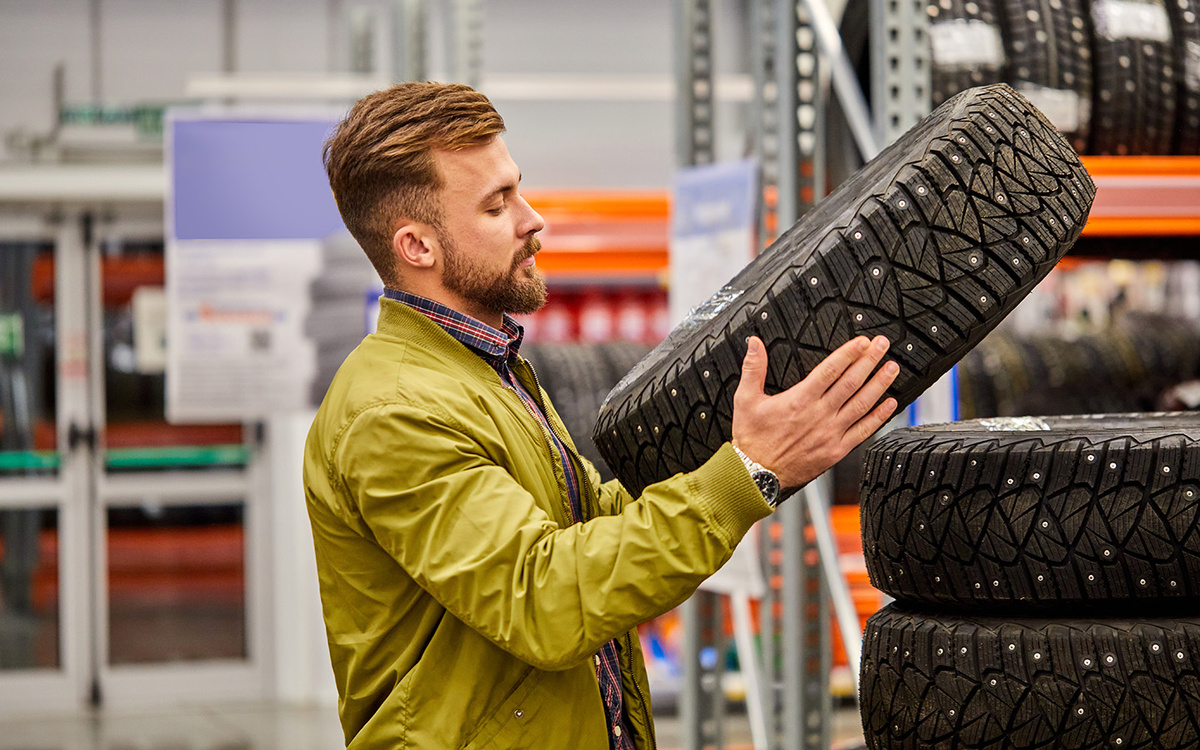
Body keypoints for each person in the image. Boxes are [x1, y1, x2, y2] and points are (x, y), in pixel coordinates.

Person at [304, 80, 899, 750]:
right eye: (497, 206)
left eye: (517, 189)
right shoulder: (396, 410)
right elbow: (544, 599)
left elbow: (580, 533)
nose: (533, 220)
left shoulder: (484, 370)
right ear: (417, 247)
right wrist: (745, 476)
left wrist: (744, 453)